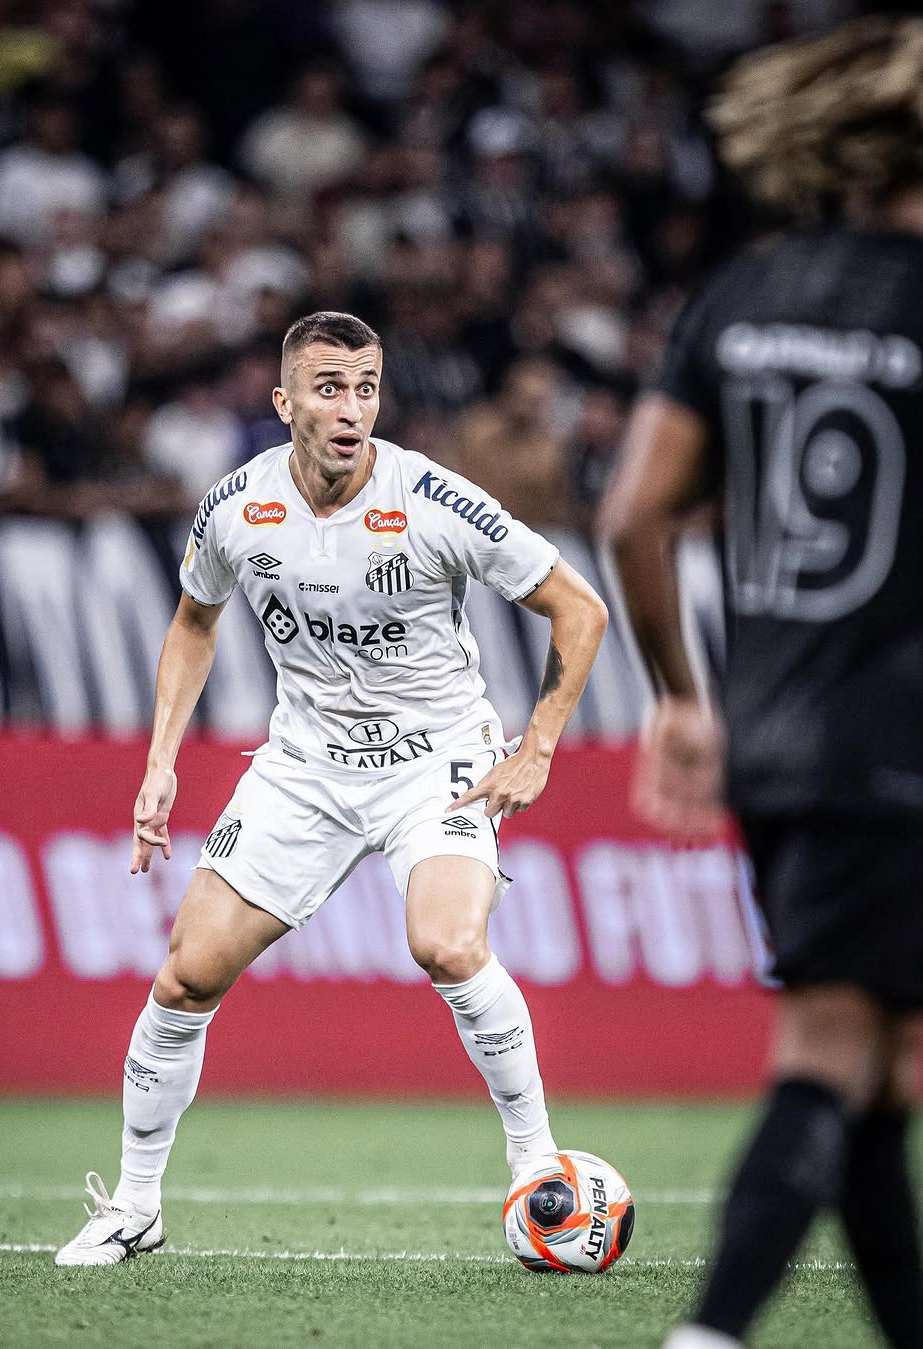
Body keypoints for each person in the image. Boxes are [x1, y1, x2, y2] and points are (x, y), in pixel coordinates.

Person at [55, 310, 608, 1265]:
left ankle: (534, 1164)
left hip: (434, 758)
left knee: (444, 941)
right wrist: (161, 760)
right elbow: (194, 622)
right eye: (327, 388)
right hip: (303, 765)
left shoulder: (434, 499)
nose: (350, 408)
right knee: (186, 974)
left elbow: (580, 607)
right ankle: (135, 1207)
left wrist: (538, 745)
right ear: (284, 403)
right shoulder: (236, 506)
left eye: (365, 388)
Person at [598, 19, 923, 1348]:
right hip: (900, 737)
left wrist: (683, 693)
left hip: (775, 738)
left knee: (878, 1073)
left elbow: (632, 516)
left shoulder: (747, 292)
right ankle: (710, 1335)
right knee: (836, 1056)